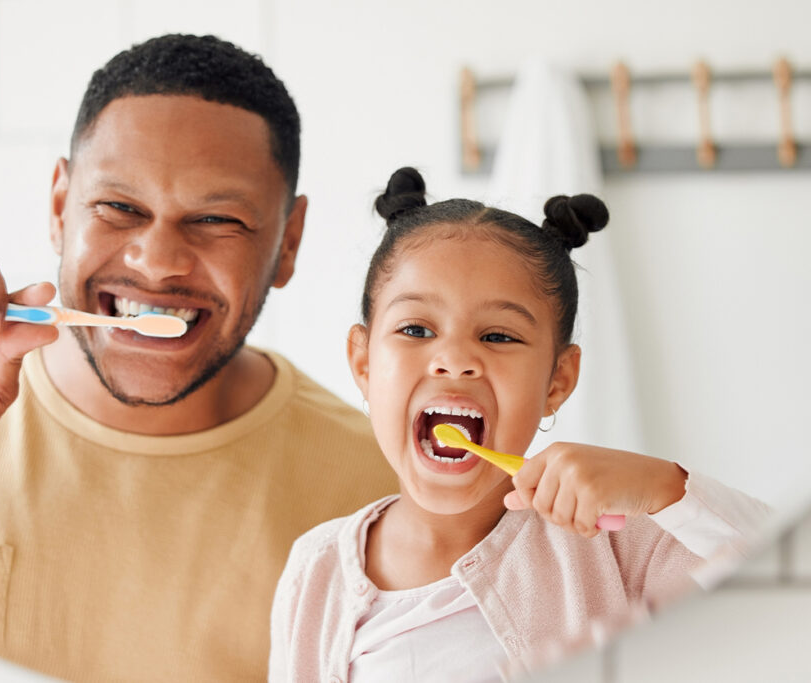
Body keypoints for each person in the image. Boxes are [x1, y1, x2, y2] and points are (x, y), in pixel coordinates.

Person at [0, 35, 396, 681]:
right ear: (60, 206)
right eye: (120, 207)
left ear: (289, 240)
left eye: (216, 219)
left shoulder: (380, 495)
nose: (157, 260)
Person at [269, 167, 771, 682]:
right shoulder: (316, 572)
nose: (455, 359)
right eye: (416, 329)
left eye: (499, 336)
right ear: (364, 364)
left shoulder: (621, 546)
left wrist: (666, 488)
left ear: (558, 379)